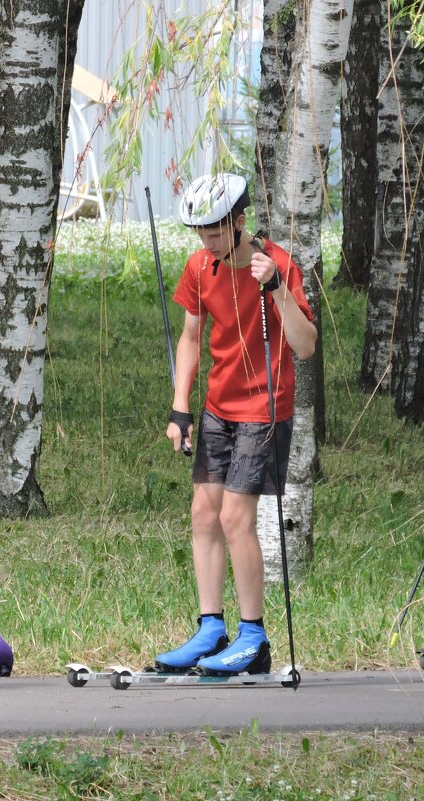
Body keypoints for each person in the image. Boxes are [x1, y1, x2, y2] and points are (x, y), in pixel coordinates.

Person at [158, 173, 317, 676]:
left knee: (234, 518)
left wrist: (276, 290)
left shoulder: (278, 265)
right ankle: (211, 629)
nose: (205, 243)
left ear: (240, 221)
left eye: (213, 233)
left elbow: (306, 344)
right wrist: (180, 406)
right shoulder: (200, 266)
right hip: (217, 408)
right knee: (203, 514)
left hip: (264, 408)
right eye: (199, 234)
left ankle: (254, 637)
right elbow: (189, 337)